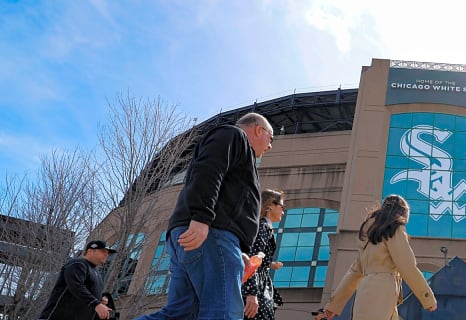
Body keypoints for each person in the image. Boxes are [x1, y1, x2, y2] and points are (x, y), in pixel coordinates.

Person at [137, 112, 274, 320]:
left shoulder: (238, 151)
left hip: (208, 236)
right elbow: (209, 170)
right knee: (223, 312)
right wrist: (202, 217)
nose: (270, 146)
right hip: (211, 234)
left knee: (181, 313)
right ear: (258, 130)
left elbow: (231, 201)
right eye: (270, 139)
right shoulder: (232, 135)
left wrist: (241, 251)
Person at [323, 194, 437, 319]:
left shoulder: (369, 235)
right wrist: (427, 297)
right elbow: (407, 266)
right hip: (383, 292)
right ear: (402, 213)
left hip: (364, 293)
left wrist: (332, 305)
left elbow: (353, 273)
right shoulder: (394, 230)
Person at [38, 240, 117, 320]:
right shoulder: (78, 264)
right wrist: (96, 303)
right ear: (90, 251)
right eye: (103, 251)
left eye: (108, 253)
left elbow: (87, 293)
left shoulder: (97, 273)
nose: (107, 255)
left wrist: (100, 299)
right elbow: (76, 286)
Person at [242, 189, 286, 320]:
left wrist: (271, 265)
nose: (283, 212)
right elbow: (252, 259)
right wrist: (251, 293)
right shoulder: (262, 227)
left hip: (259, 286)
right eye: (282, 207)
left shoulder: (264, 228)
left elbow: (258, 257)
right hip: (257, 289)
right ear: (270, 205)